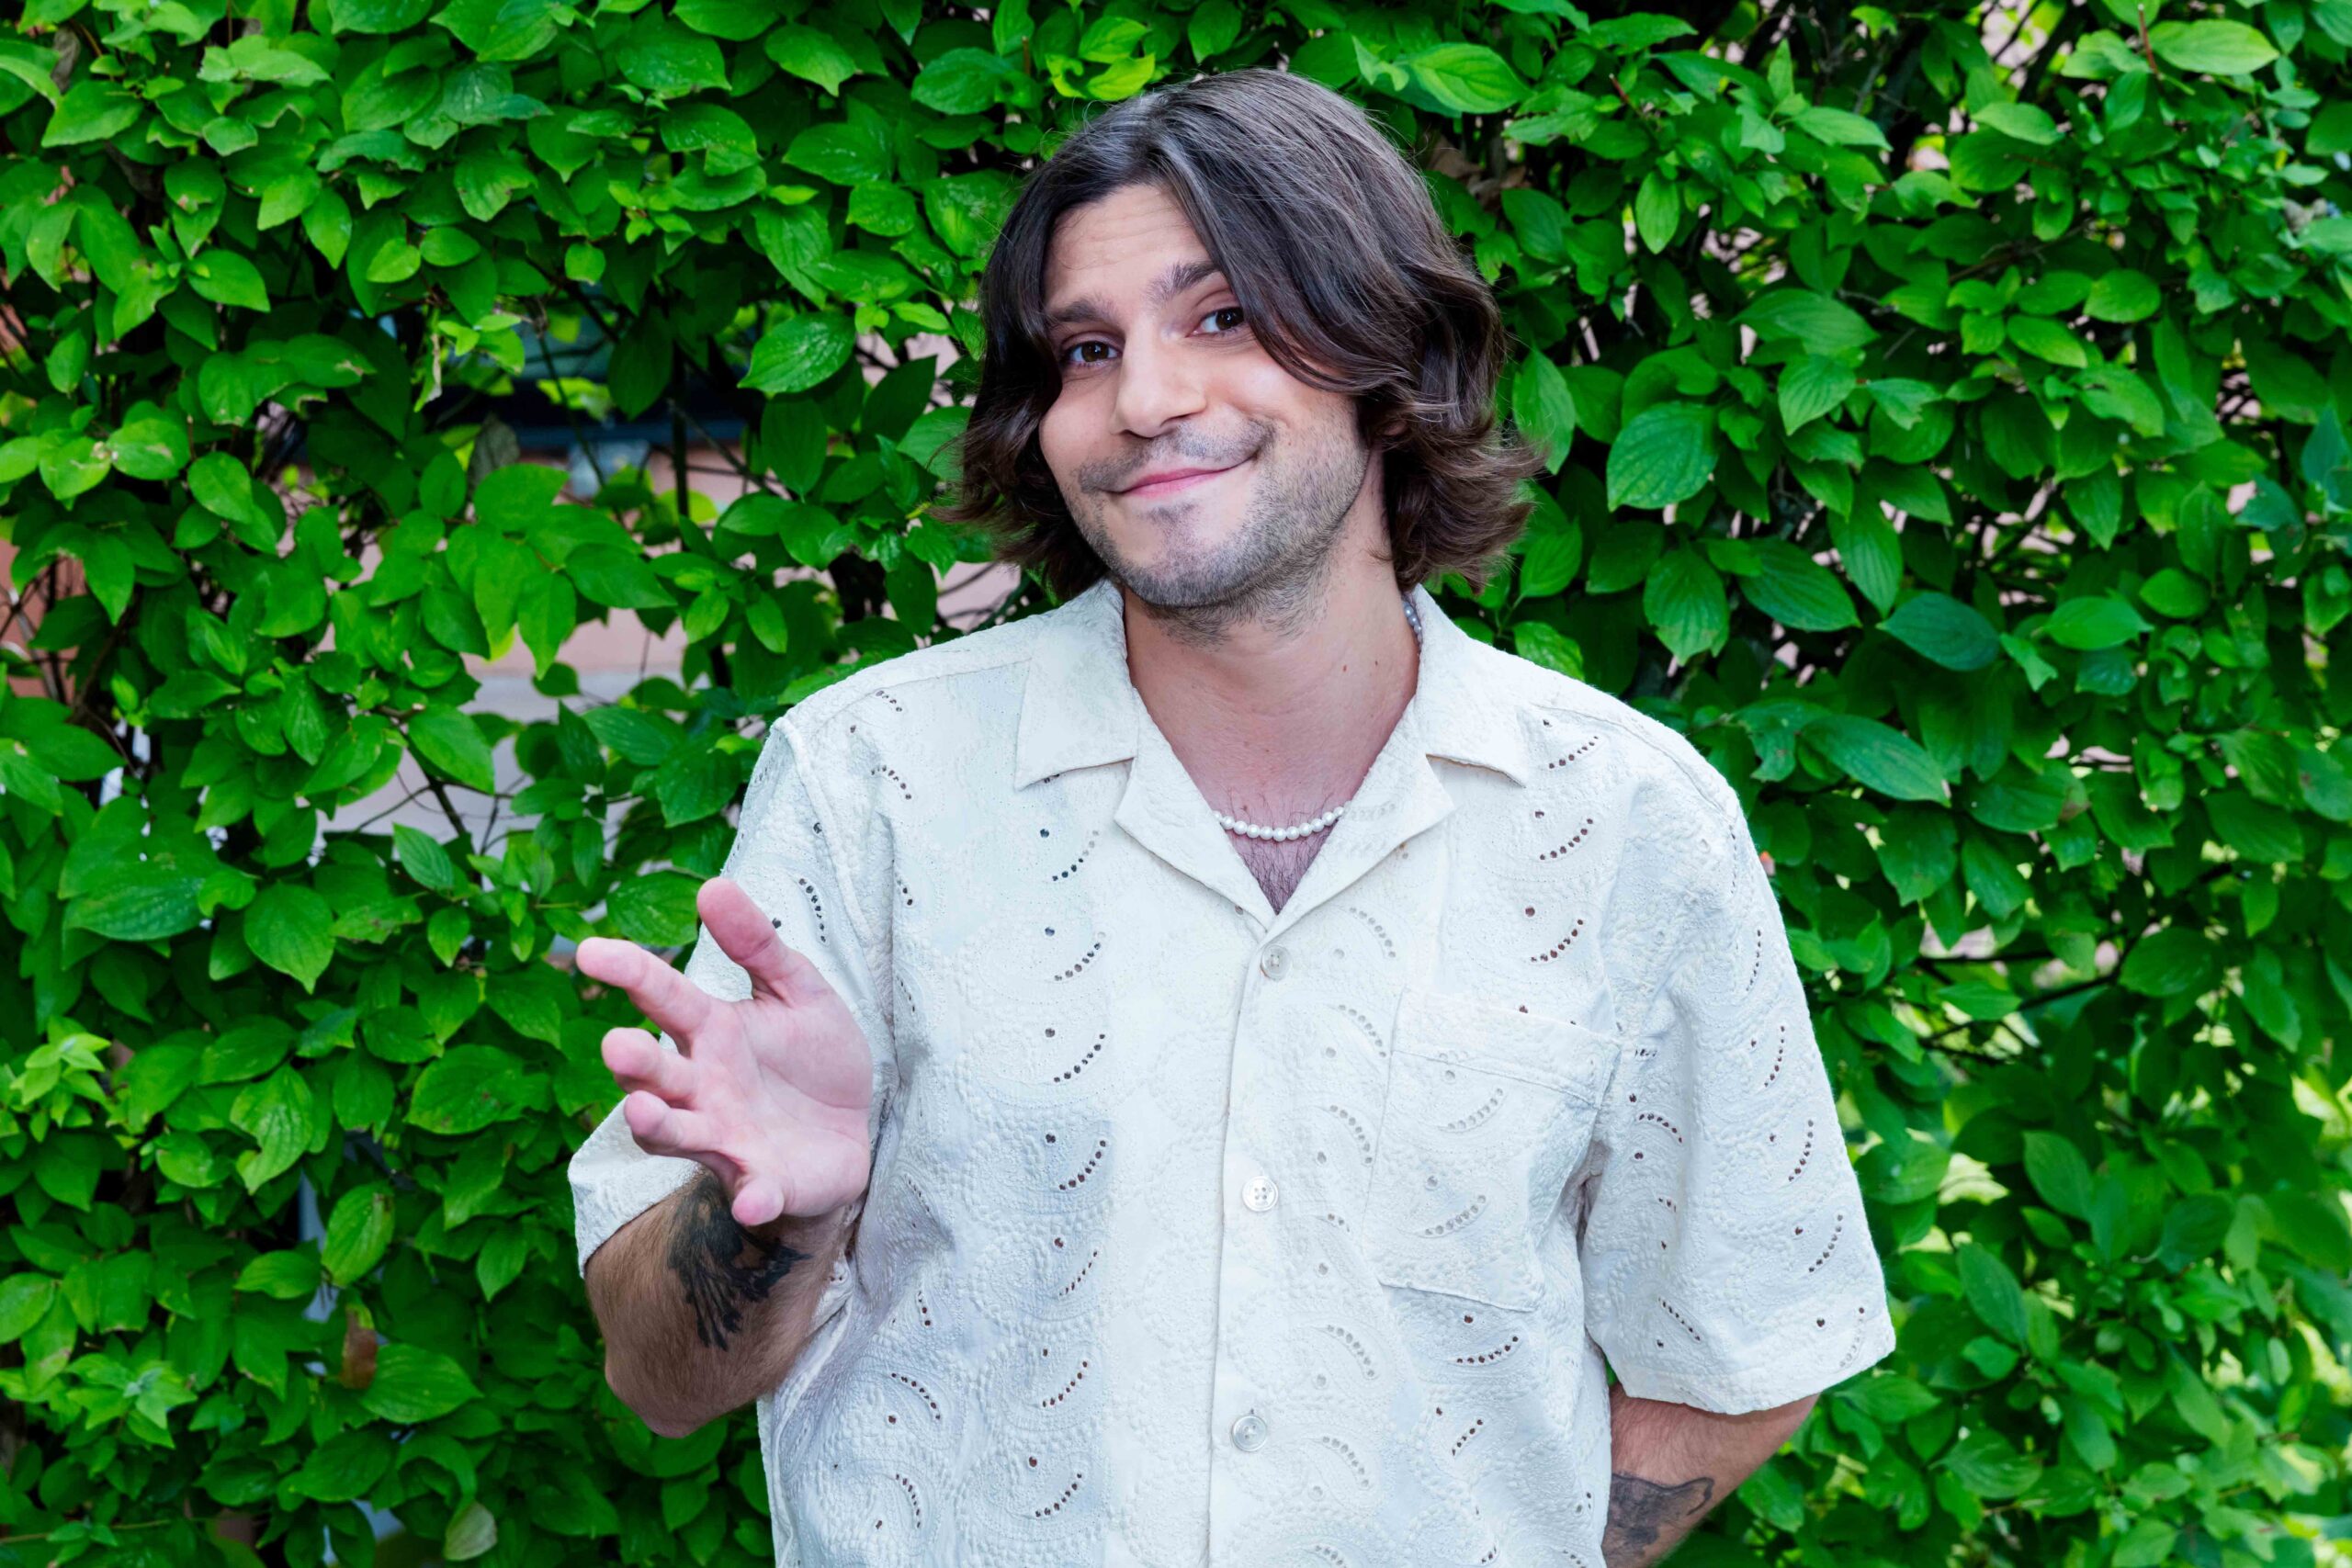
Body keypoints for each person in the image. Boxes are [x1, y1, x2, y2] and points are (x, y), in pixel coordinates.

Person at [567, 66, 1894, 1568]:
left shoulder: (1630, 825)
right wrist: (777, 1223)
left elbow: (1746, 1348)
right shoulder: (872, 783)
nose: (1144, 401)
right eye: (1086, 349)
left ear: (1389, 354)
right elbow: (656, 1380)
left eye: (1222, 318)